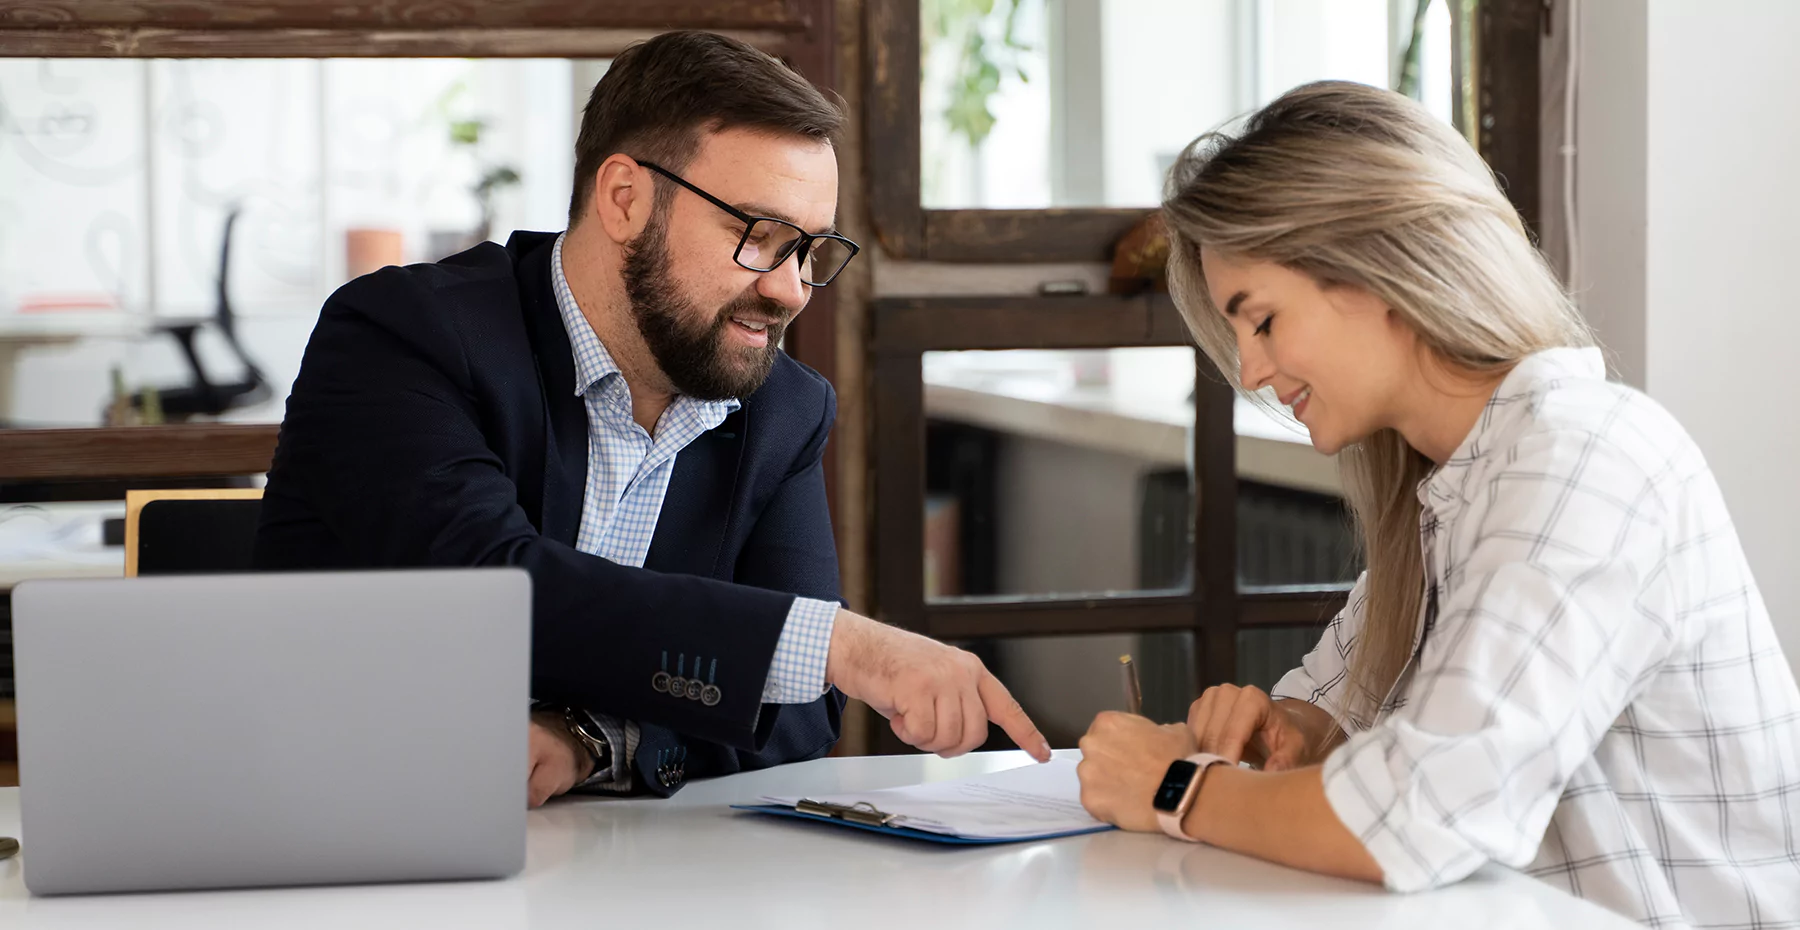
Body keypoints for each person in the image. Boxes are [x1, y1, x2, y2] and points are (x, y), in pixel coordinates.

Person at [255, 30, 1050, 805]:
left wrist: (594, 741)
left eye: (809, 250)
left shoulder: (783, 408)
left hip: (617, 870)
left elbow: (805, 711)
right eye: (759, 236)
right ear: (626, 199)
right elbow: (488, 590)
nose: (791, 290)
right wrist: (837, 641)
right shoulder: (403, 334)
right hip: (334, 822)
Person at [1075, 81, 1800, 928]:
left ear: (1377, 268)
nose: (1252, 373)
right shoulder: (1448, 494)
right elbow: (1331, 710)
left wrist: (1176, 787)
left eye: (1263, 321)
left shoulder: (1584, 459)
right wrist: (1285, 732)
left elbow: (1420, 817)